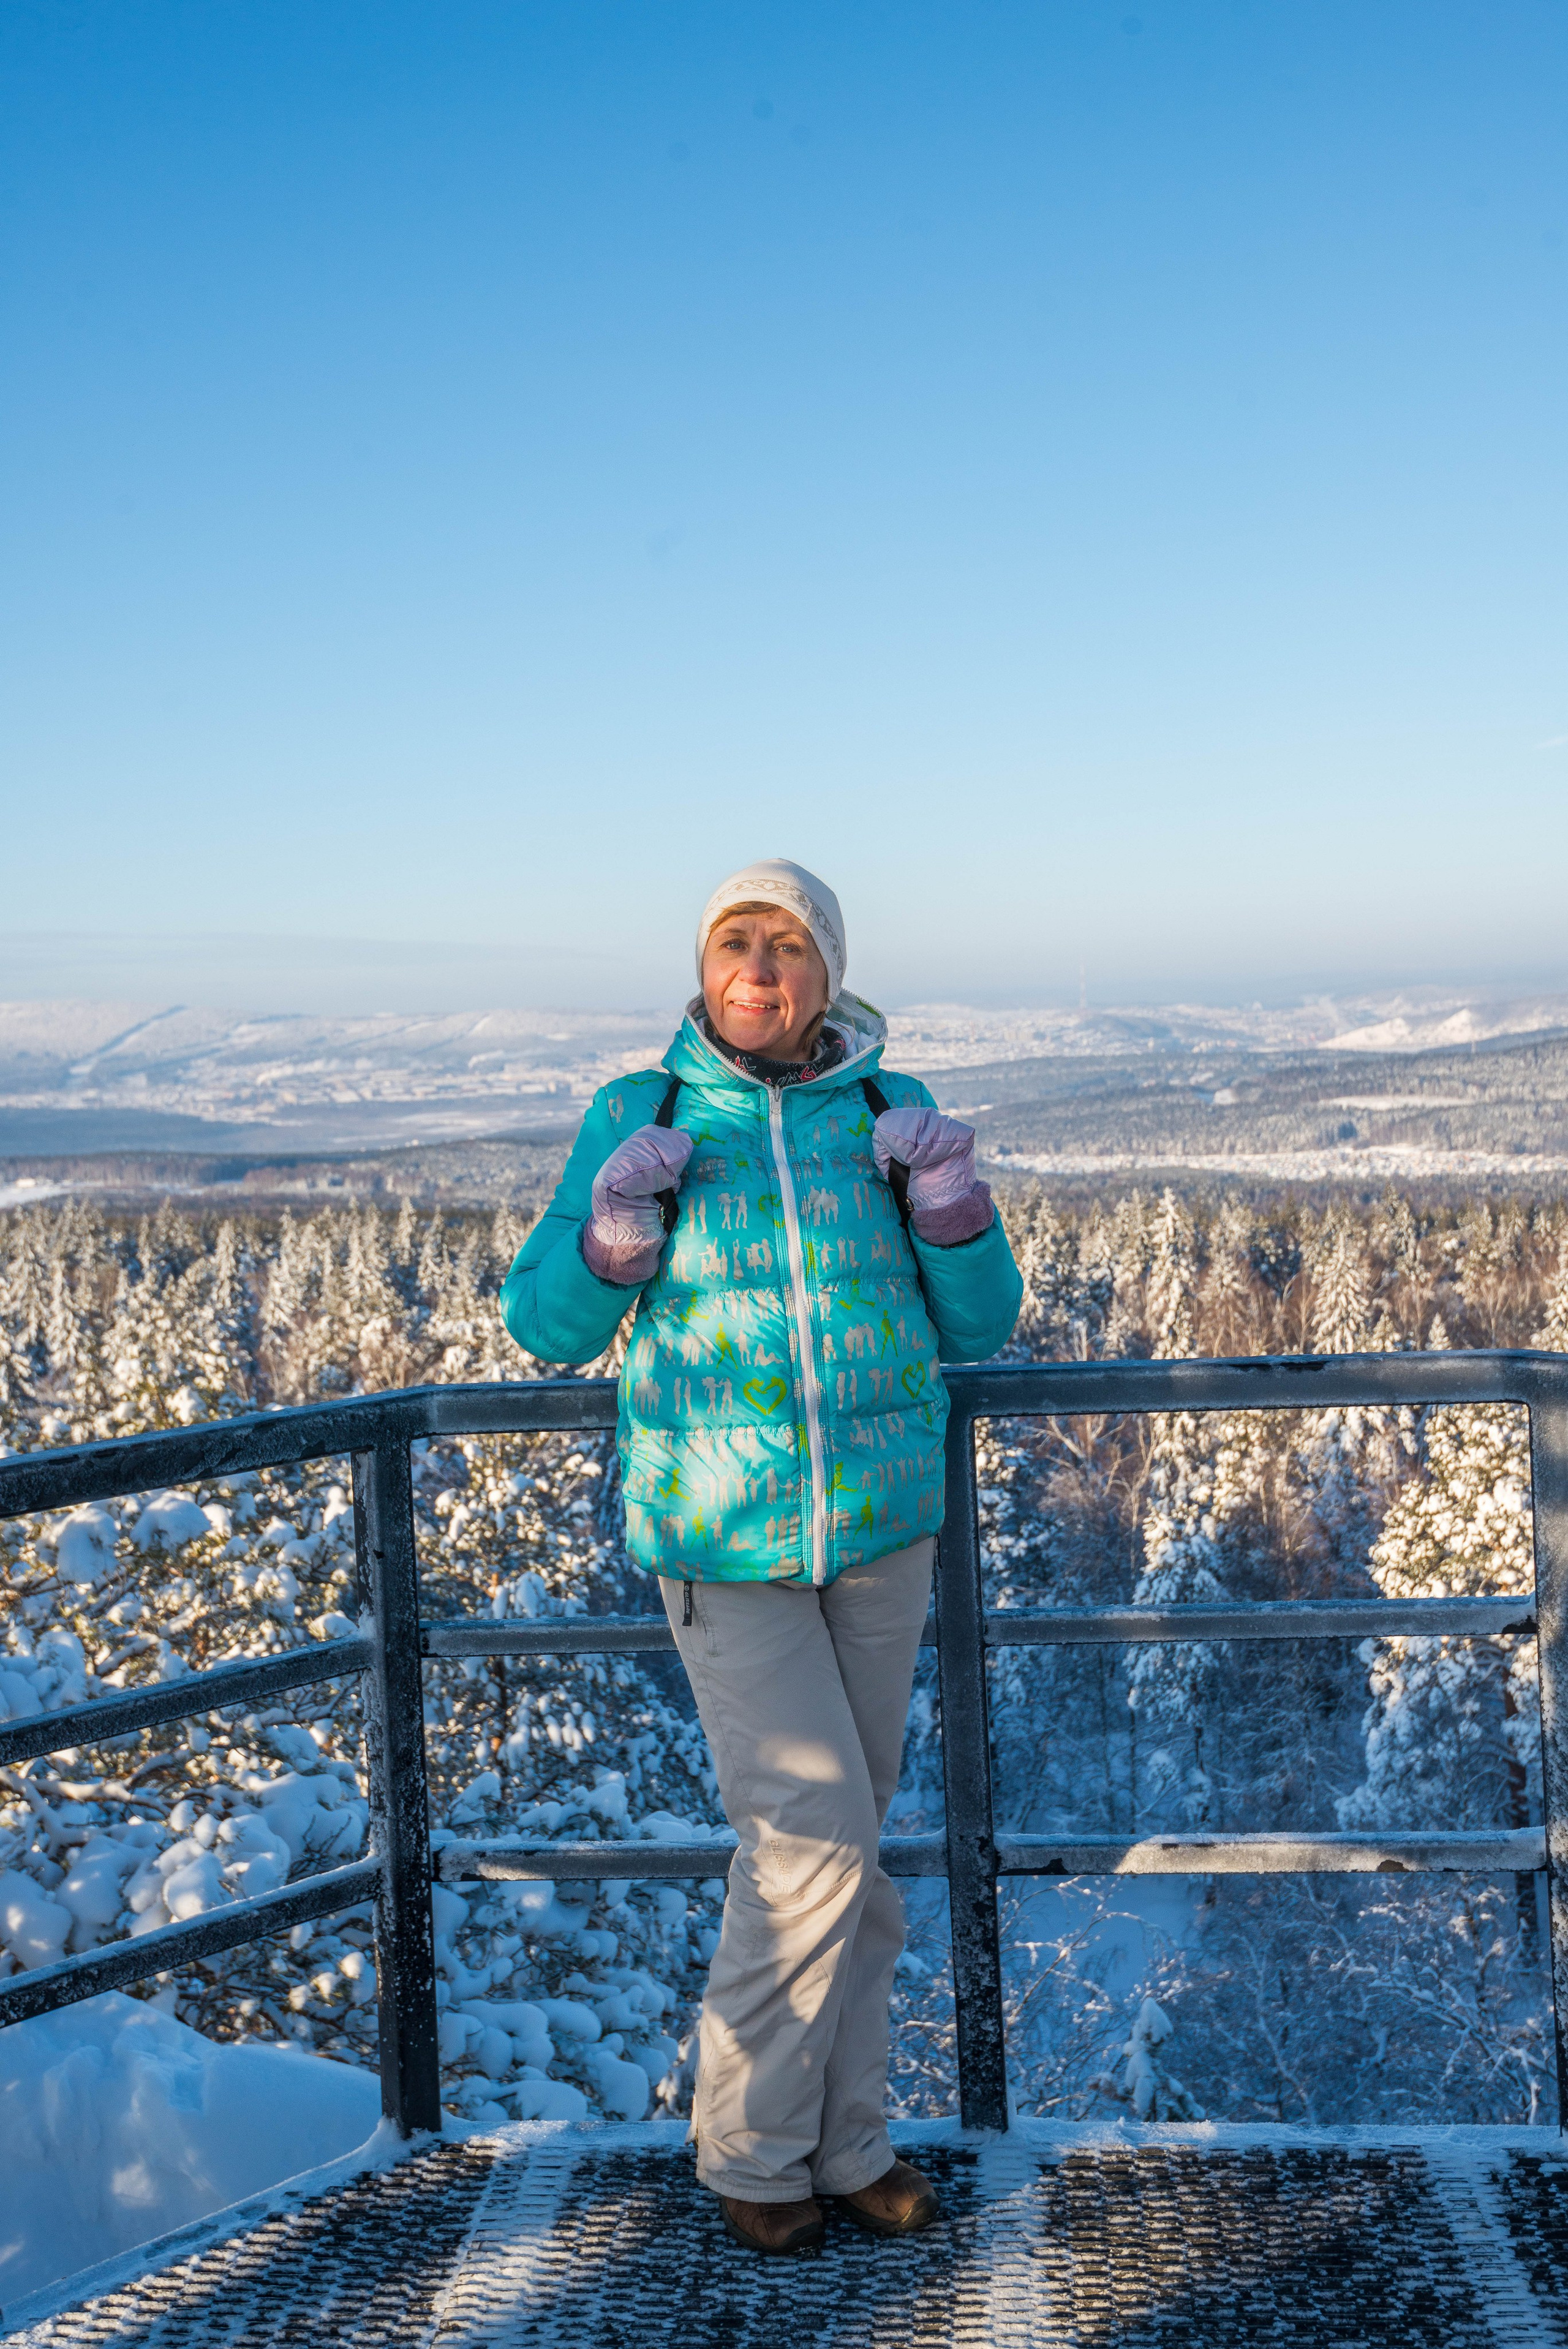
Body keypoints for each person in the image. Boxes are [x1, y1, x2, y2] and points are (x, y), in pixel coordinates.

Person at [499, 858, 1022, 2255]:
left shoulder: (885, 1111)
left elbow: (981, 1324)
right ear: (703, 965)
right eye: (735, 939)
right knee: (810, 1839)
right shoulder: (644, 1112)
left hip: (879, 1528)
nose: (759, 964)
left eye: (789, 944)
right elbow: (543, 1325)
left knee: (851, 1858)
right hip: (719, 1539)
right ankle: (748, 2148)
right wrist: (614, 1237)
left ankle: (847, 2142)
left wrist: (951, 1207)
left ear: (827, 976)